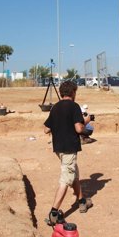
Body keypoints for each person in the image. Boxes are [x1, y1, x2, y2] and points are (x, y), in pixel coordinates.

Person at [43, 80, 93, 225]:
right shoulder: (74, 106)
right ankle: (53, 212)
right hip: (69, 148)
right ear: (73, 92)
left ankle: (82, 201)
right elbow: (78, 128)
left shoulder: (55, 108)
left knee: (73, 173)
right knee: (66, 179)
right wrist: (87, 122)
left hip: (58, 148)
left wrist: (59, 125)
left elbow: (46, 129)